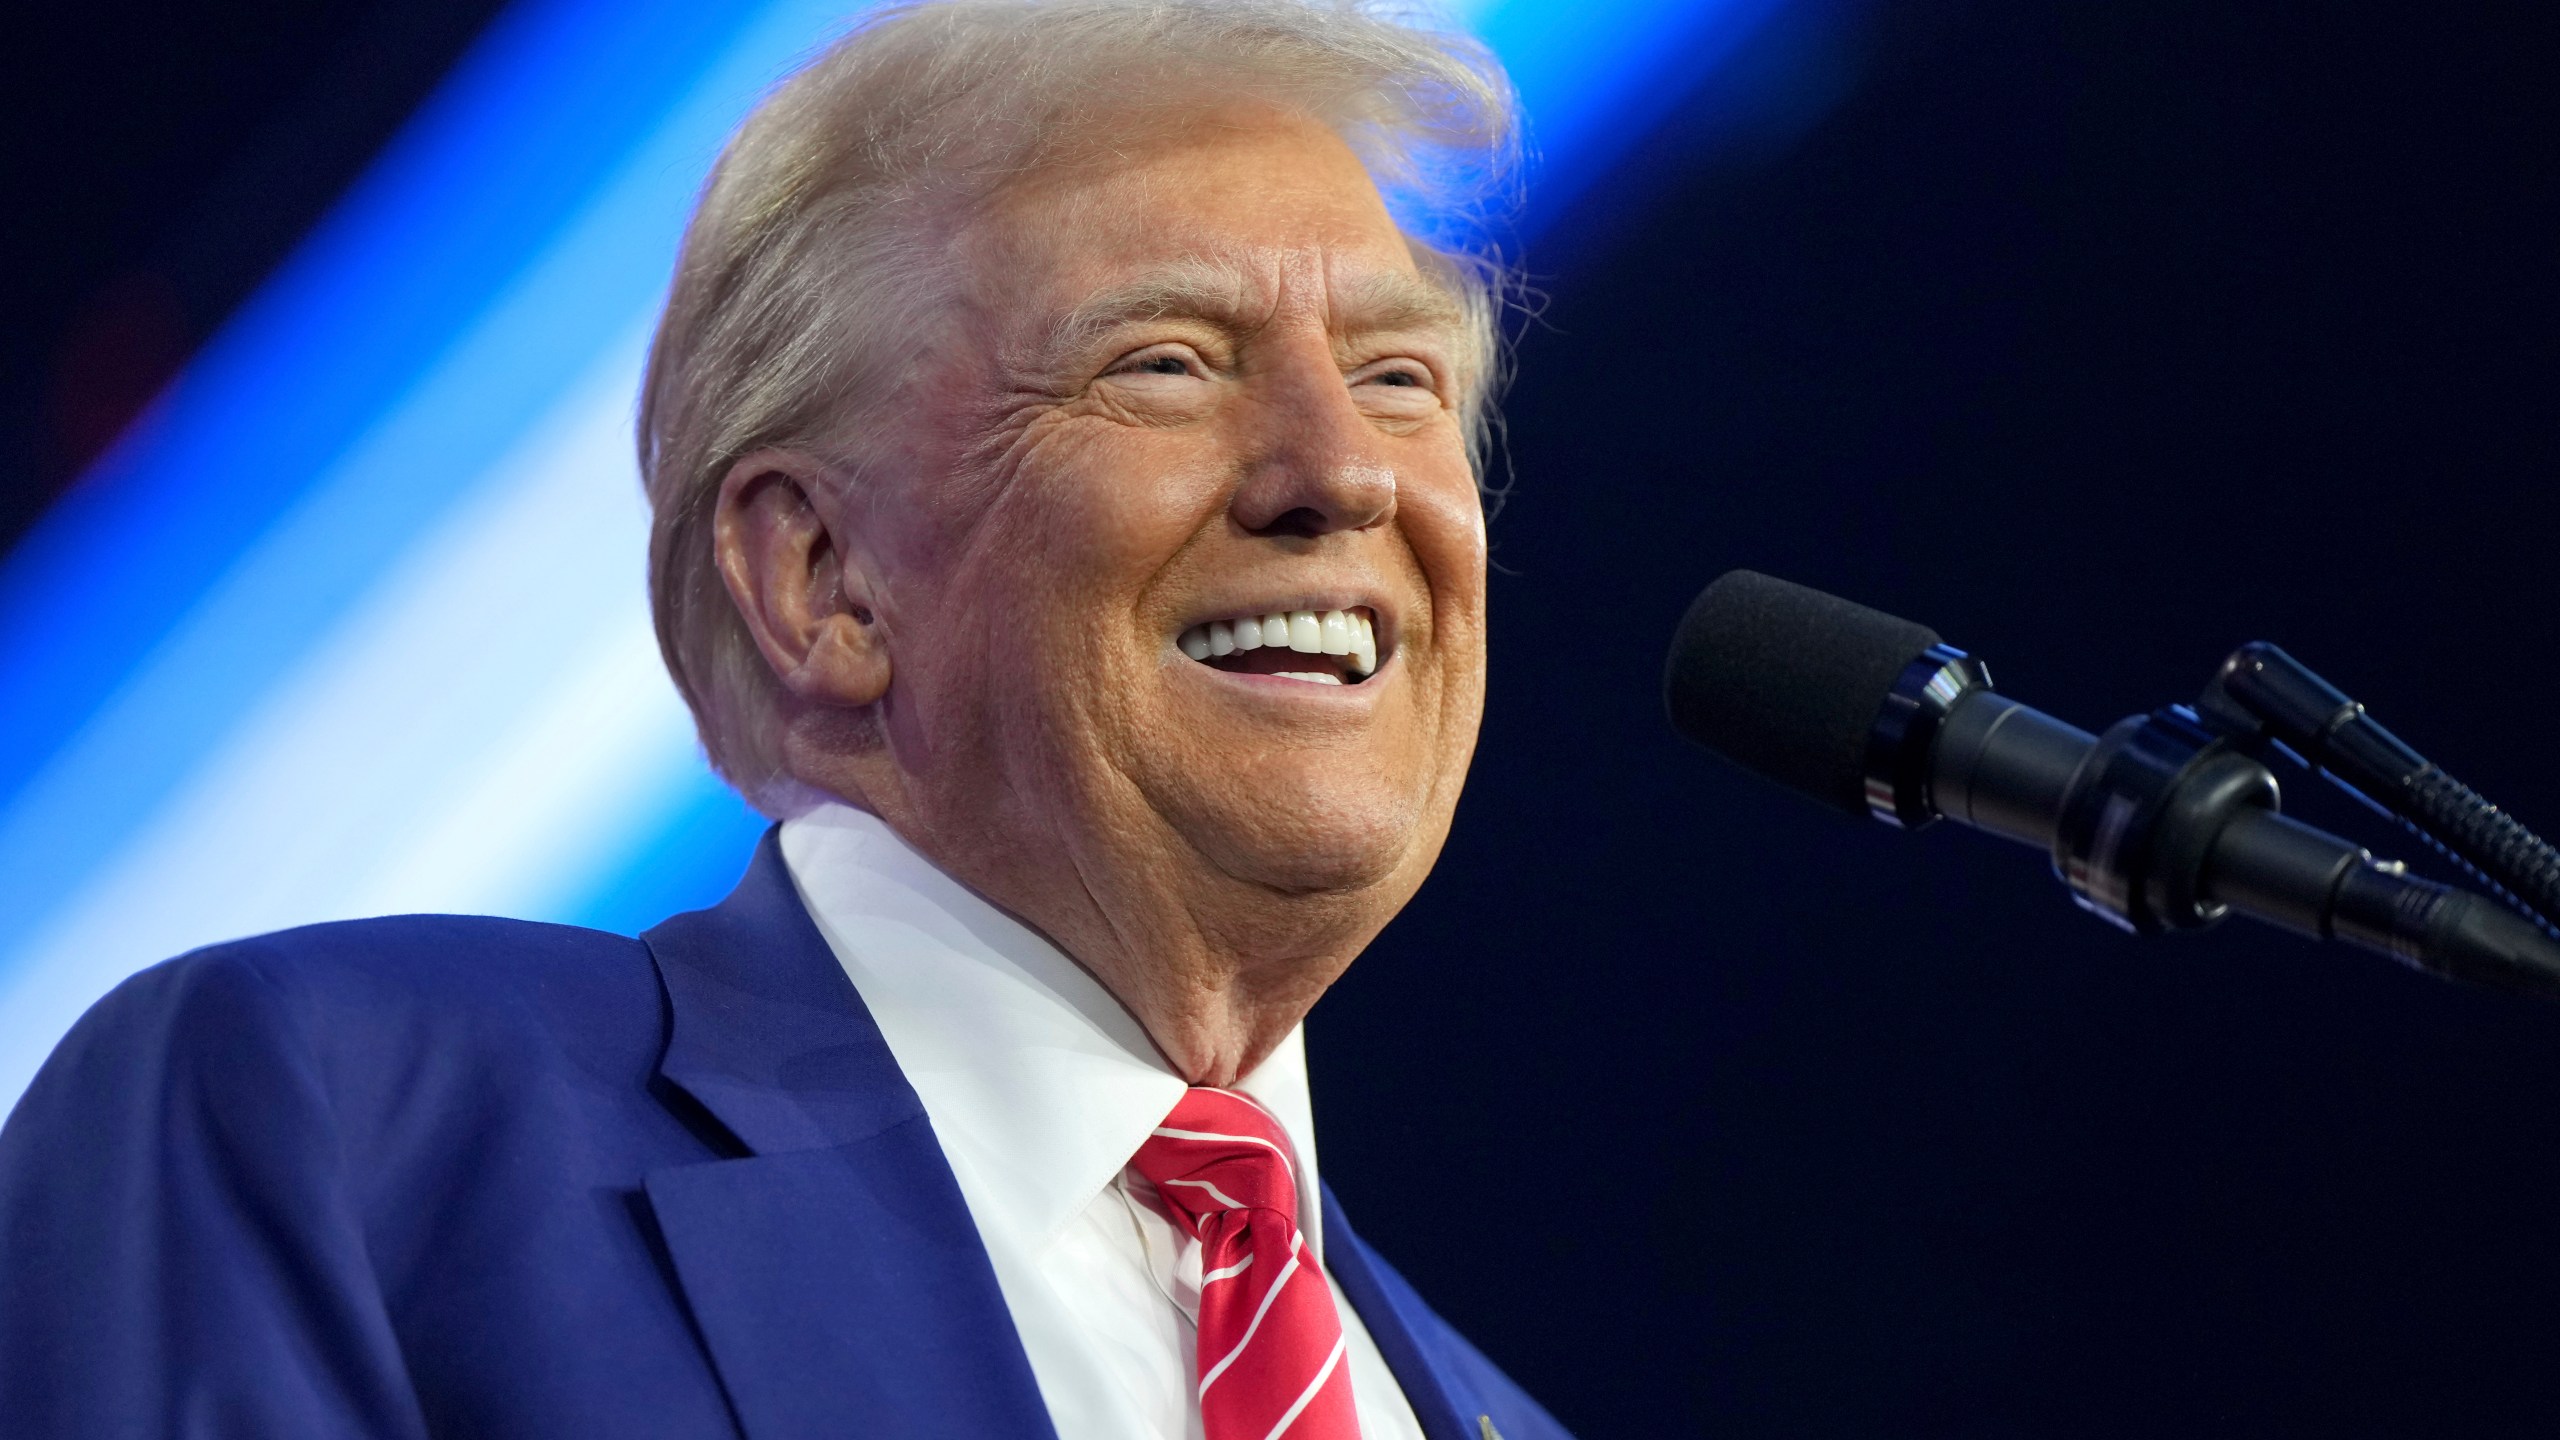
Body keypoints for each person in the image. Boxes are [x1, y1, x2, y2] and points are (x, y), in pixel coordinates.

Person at [0, 1, 1569, 1436]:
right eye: (1164, 364)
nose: (1342, 470)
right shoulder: (348, 1133)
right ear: (820, 578)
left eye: (1398, 381)